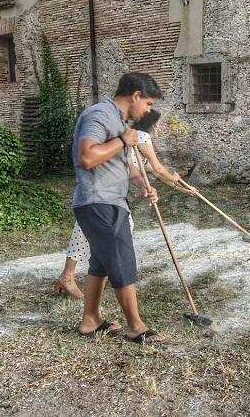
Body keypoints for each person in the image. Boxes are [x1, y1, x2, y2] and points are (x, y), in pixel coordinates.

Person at [70, 72, 166, 344]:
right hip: (99, 201)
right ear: (136, 95)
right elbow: (87, 156)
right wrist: (124, 140)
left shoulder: (121, 122)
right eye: (148, 104)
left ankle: (90, 321)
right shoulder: (99, 115)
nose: (148, 110)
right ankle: (135, 327)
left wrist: (142, 184)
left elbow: (123, 165)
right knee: (122, 259)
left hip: (110, 200)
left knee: (101, 263)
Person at [53, 126, 196, 300]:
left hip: (110, 191)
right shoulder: (141, 136)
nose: (159, 126)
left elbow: (144, 170)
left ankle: (81, 276)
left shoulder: (135, 141)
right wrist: (178, 186)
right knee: (102, 228)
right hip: (102, 189)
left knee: (95, 228)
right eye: (156, 121)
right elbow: (158, 169)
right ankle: (76, 277)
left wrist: (181, 187)